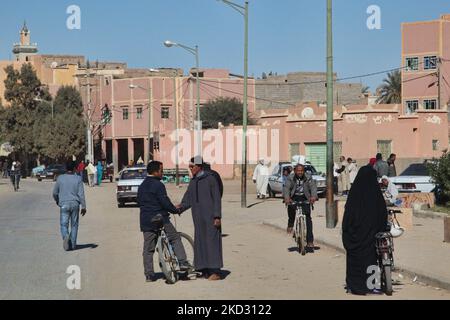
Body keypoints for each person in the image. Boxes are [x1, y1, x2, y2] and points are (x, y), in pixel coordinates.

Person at [137, 161, 191, 282]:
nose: (162, 173)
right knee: (175, 238)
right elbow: (165, 202)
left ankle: (149, 275)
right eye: (161, 170)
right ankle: (182, 263)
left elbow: (139, 202)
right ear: (155, 172)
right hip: (160, 218)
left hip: (146, 220)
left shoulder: (142, 186)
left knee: (148, 248)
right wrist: (175, 210)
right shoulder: (158, 185)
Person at [342, 165, 388, 295]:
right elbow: (382, 214)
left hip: (355, 236)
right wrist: (381, 228)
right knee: (372, 258)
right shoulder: (376, 194)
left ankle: (353, 285)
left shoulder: (354, 194)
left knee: (353, 261)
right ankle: (372, 286)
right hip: (371, 235)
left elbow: (348, 217)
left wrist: (348, 232)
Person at [179, 156, 223, 281]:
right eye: (189, 167)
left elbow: (217, 199)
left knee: (212, 242)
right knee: (201, 242)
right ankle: (204, 269)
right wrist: (179, 208)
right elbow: (188, 199)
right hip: (198, 218)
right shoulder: (193, 181)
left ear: (199, 166)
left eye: (192, 167)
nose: (190, 169)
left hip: (211, 218)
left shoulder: (211, 179)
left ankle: (215, 271)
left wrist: (217, 216)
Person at [52, 160, 87, 251]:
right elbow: (81, 194)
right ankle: (73, 245)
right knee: (74, 225)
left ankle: (66, 236)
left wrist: (57, 200)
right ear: (75, 169)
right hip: (75, 204)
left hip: (64, 204)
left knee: (64, 224)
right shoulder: (78, 179)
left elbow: (55, 193)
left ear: (65, 168)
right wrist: (83, 206)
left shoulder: (60, 178)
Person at [283, 164, 318, 252]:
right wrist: (287, 198)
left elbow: (313, 187)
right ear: (295, 171)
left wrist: (313, 196)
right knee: (291, 210)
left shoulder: (308, 177)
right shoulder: (290, 178)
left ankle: (310, 241)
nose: (300, 172)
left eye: (302, 170)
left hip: (305, 197)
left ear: (304, 171)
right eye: (298, 171)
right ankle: (290, 224)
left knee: (308, 218)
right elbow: (286, 188)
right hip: (293, 196)